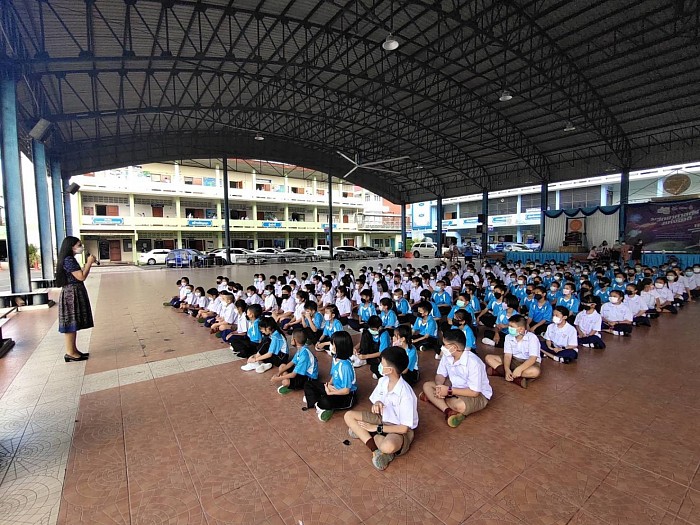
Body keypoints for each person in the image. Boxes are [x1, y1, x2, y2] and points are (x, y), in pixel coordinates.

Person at [344, 346, 418, 471]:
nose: (380, 366)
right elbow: (376, 401)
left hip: (398, 430)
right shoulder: (383, 381)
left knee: (388, 446)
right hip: (381, 419)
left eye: (382, 364)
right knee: (348, 416)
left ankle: (370, 435)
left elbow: (404, 428)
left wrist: (375, 428)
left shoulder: (406, 394)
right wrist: (377, 403)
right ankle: (375, 449)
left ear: (390, 370)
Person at [419, 329, 492, 428]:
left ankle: (435, 399)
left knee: (459, 406)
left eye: (445, 345)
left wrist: (448, 391)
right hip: (454, 388)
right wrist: (439, 386)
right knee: (427, 385)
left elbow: (474, 392)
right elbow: (440, 375)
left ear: (454, 347)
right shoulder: (447, 356)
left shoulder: (473, 363)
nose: (442, 347)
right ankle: (448, 411)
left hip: (478, 395)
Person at [56, 237, 95, 362]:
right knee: (71, 324)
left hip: (74, 292)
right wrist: (89, 263)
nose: (81, 247)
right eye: (79, 245)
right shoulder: (68, 260)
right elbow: (81, 276)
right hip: (71, 294)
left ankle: (73, 350)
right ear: (71, 246)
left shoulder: (69, 259)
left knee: (74, 323)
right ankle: (70, 352)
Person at [303, 331, 357, 422]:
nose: (330, 345)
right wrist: (328, 384)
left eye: (332, 343)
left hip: (346, 396)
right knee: (308, 384)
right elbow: (334, 375)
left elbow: (346, 391)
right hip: (334, 388)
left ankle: (320, 403)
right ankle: (319, 403)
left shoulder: (345, 366)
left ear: (340, 347)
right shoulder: (335, 358)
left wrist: (330, 393)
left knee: (325, 401)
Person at [485, 314, 541, 389]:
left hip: (528, 363)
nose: (509, 328)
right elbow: (508, 355)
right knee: (488, 358)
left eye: (512, 327)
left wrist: (519, 369)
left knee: (535, 372)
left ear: (521, 329)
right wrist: (507, 369)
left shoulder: (532, 338)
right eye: (509, 326)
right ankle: (516, 378)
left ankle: (500, 372)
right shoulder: (508, 337)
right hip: (513, 360)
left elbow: (532, 359)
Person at [270, 329, 318, 394]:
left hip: (309, 378)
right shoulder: (301, 349)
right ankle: (290, 382)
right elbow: (291, 363)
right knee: (282, 366)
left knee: (285, 382)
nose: (291, 340)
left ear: (294, 340)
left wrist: (278, 379)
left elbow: (293, 375)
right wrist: (279, 373)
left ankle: (290, 385)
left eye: (292, 338)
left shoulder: (304, 354)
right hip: (300, 372)